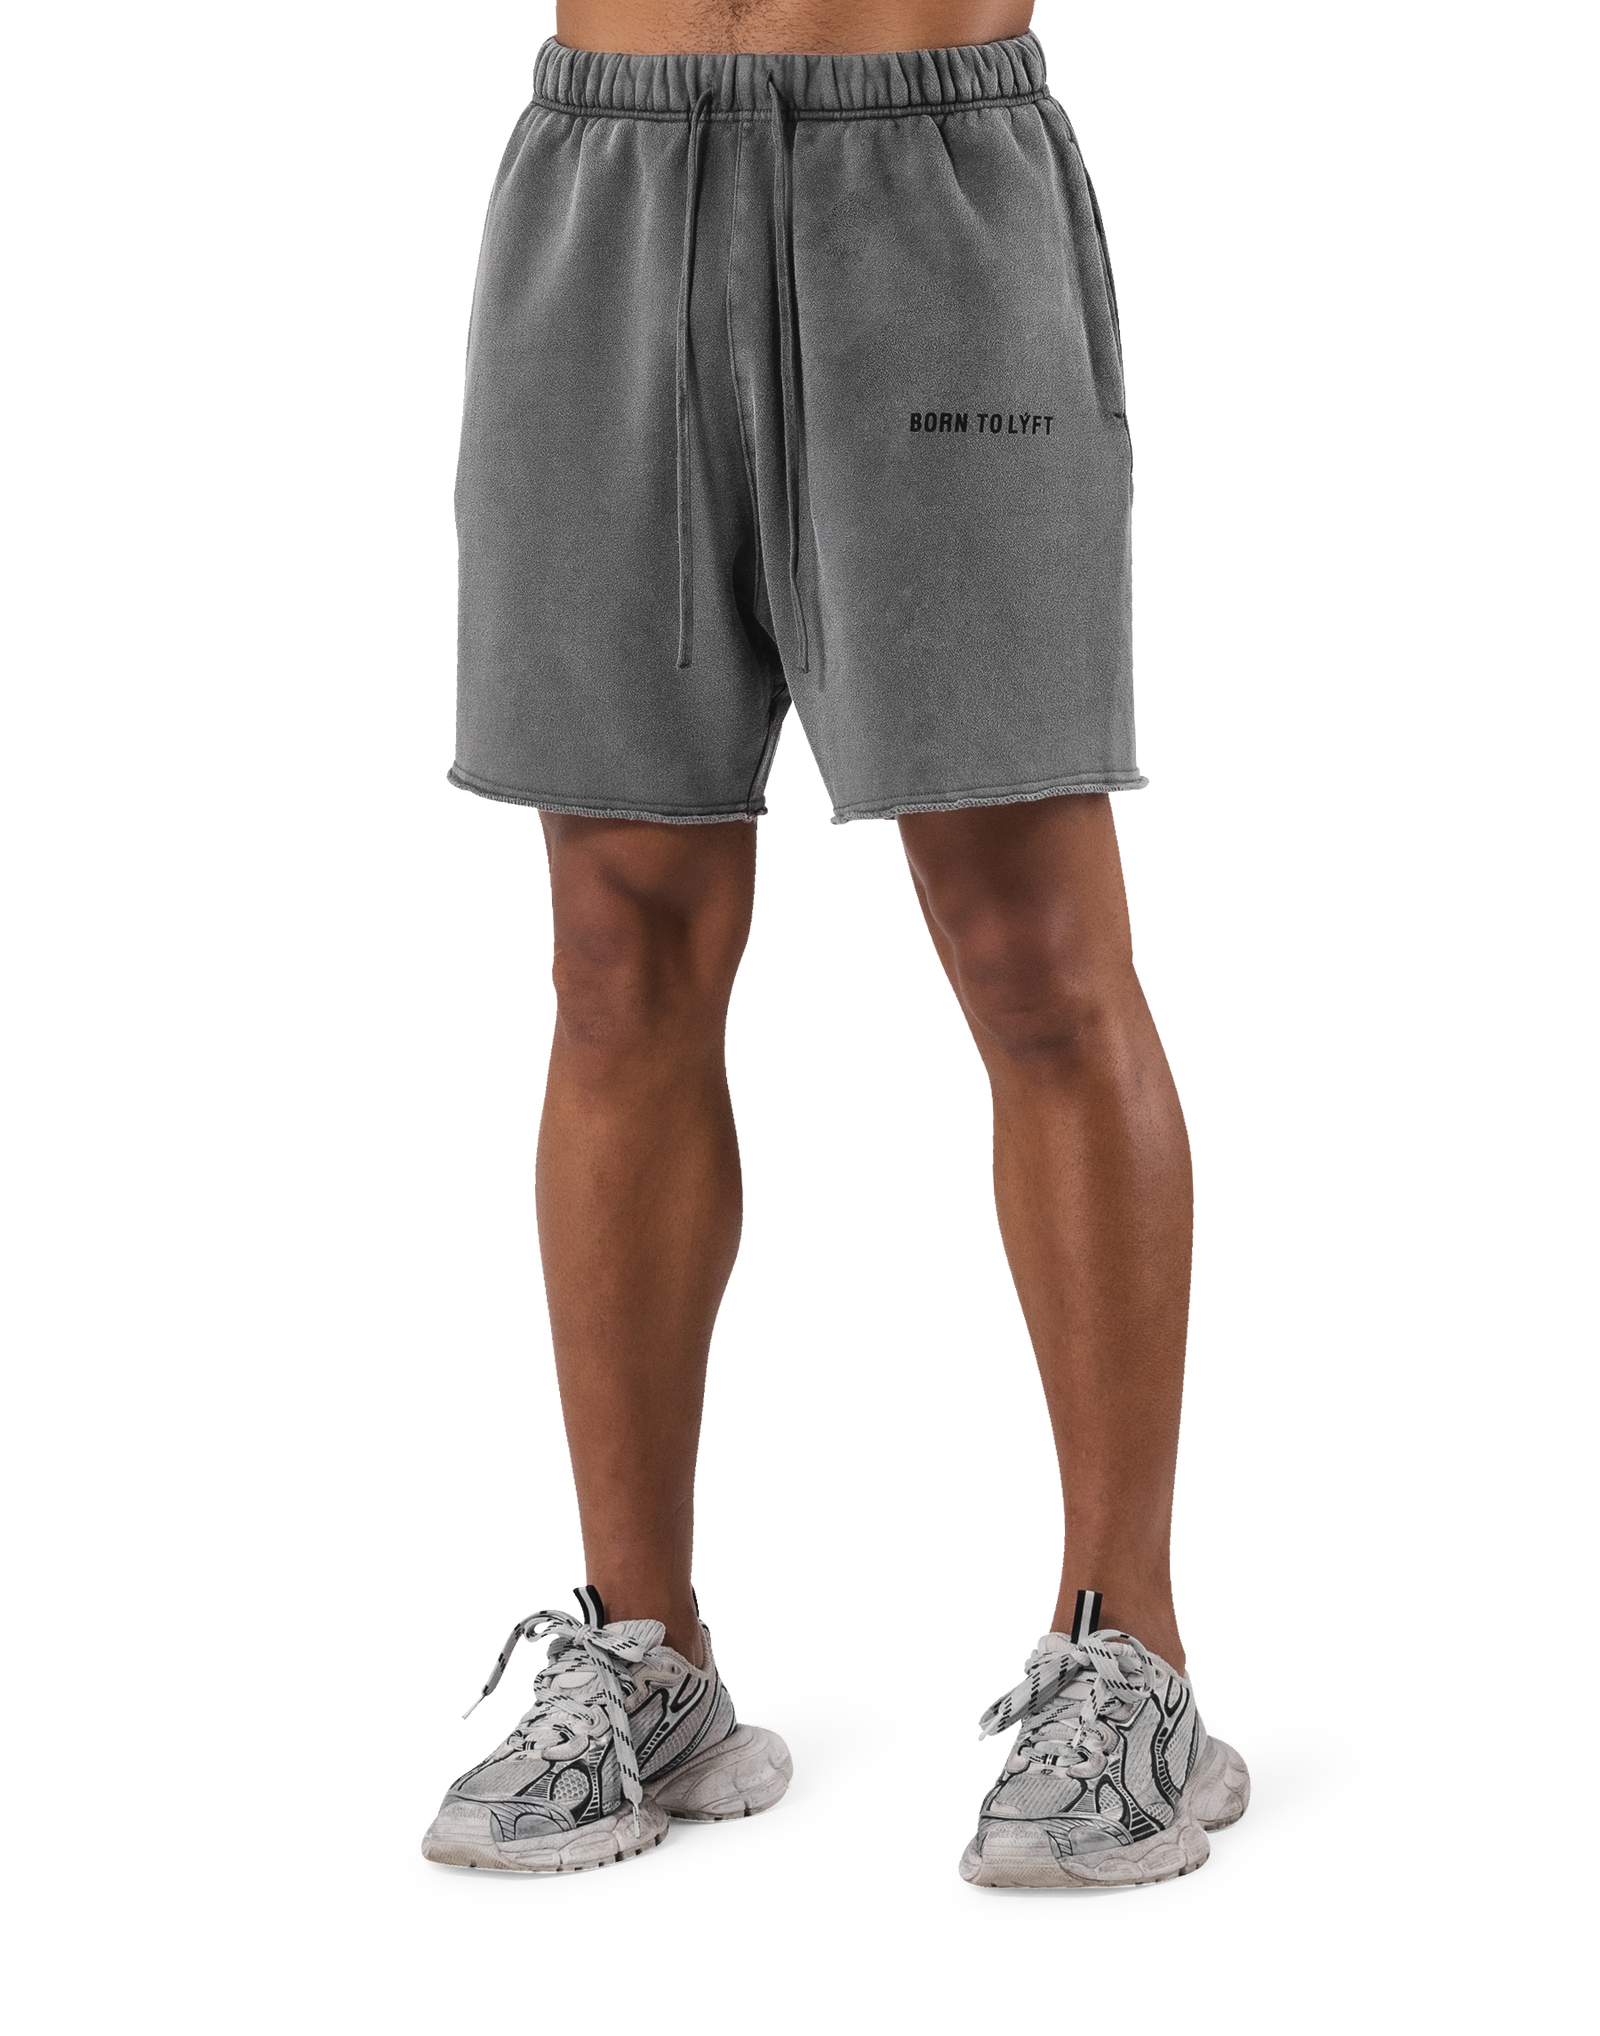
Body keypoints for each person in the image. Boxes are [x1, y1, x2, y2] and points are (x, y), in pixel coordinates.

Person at [421, 0, 1250, 1890]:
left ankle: (1127, 1656)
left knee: (1033, 942)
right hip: (602, 179)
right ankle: (645, 1659)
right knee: (610, 951)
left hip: (928, 184)